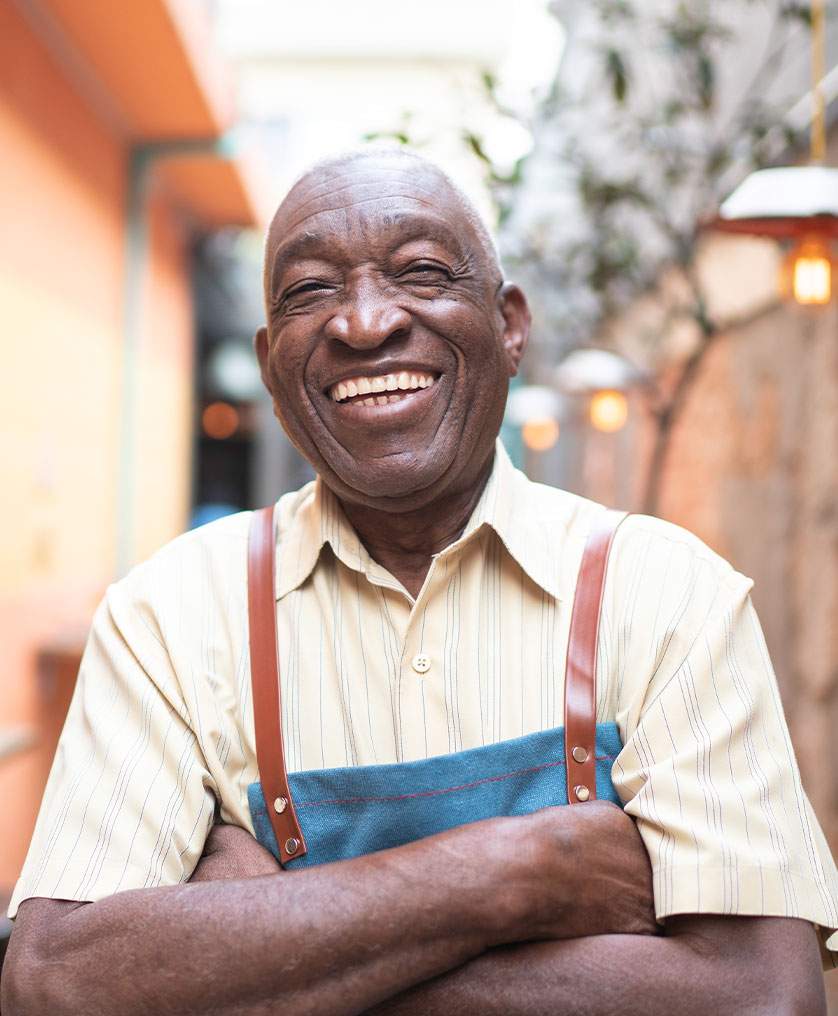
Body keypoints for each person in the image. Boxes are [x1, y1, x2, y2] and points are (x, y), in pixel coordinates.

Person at [3, 149, 837, 1016]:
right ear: (268, 363)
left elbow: (763, 998)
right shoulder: (167, 619)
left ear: (510, 325)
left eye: (423, 273)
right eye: (309, 291)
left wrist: (265, 934)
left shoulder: (668, 596)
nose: (363, 323)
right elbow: (56, 983)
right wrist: (517, 875)